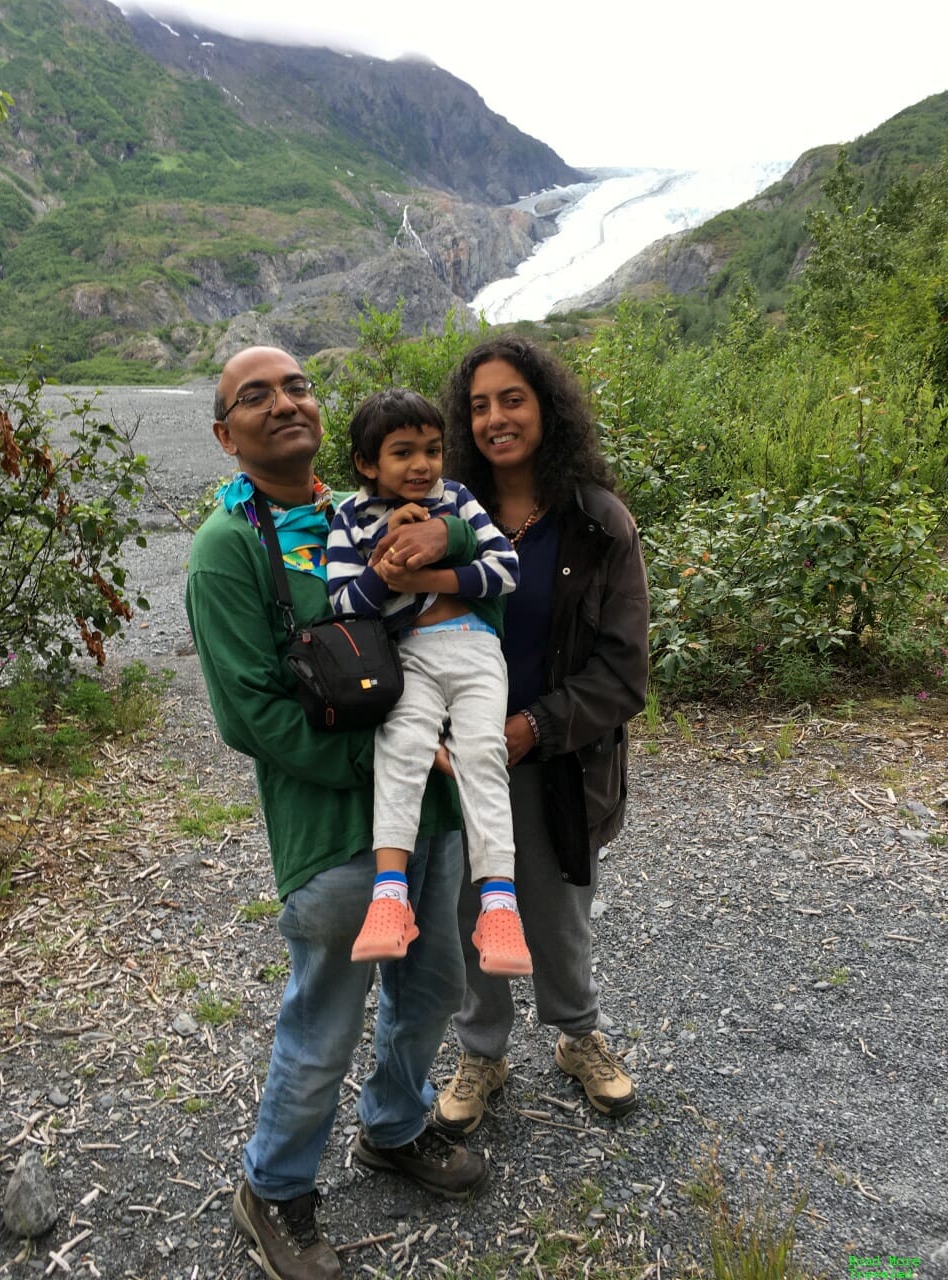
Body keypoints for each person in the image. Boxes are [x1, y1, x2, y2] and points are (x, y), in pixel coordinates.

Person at [185, 347, 488, 1280]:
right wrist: (390, 757)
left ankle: (393, 1127)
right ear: (225, 433)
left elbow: (473, 552)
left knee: (431, 986)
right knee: (325, 1015)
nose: (284, 403)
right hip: (334, 828)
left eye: (298, 385)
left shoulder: (363, 506)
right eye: (255, 396)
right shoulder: (229, 546)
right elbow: (253, 715)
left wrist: (454, 549)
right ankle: (274, 1185)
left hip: (431, 812)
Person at [431, 335, 650, 1135]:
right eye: (480, 405)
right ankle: (481, 1050)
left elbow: (625, 671)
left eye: (512, 399)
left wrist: (531, 727)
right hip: (458, 756)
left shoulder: (597, 523)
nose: (496, 418)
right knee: (466, 903)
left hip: (557, 756)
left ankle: (577, 1034)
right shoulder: (442, 513)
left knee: (558, 906)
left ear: (546, 409)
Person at [326, 389, 531, 977]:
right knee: (402, 747)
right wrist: (384, 571)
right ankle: (388, 895)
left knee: (484, 754)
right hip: (408, 654)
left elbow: (505, 571)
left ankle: (499, 904)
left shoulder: (458, 500)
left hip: (473, 647)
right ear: (367, 464)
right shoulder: (350, 519)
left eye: (433, 450)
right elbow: (343, 605)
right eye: (403, 453)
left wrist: (432, 568)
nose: (422, 465)